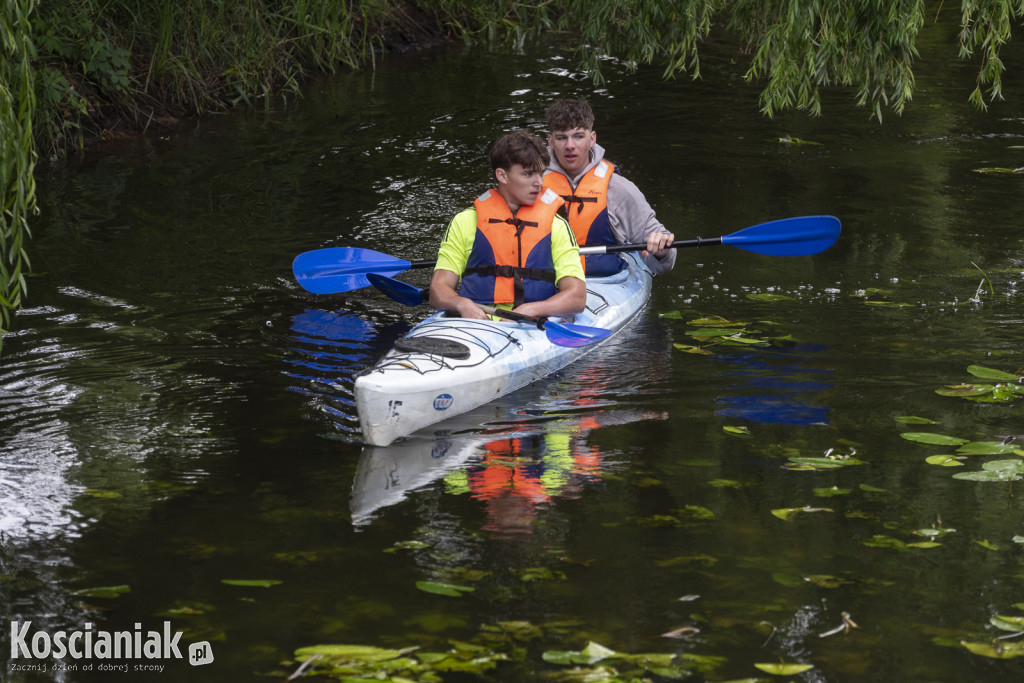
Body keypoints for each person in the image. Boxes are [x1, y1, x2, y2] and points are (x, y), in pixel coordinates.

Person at [429, 129, 587, 321]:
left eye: (541, 173)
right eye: (528, 174)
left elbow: (577, 297)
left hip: (532, 322)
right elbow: (438, 290)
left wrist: (529, 310)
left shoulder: (557, 226)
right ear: (502, 176)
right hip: (476, 322)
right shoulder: (465, 221)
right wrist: (461, 304)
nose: (539, 183)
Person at [543, 99, 676, 276]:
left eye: (578, 136)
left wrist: (662, 251)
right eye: (561, 138)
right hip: (545, 280)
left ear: (592, 139)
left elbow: (665, 264)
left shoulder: (619, 189)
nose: (570, 146)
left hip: (603, 283)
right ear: (550, 141)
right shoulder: (531, 183)